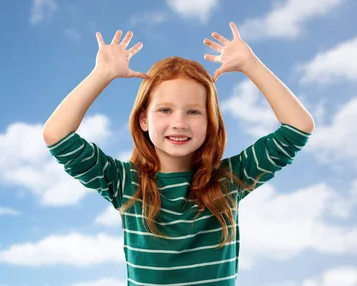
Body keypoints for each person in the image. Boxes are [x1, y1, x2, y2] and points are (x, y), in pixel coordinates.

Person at [42, 22, 315, 285]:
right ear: (143, 120)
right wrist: (101, 74)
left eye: (194, 111)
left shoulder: (230, 179)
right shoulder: (125, 183)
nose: (179, 122)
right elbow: (57, 135)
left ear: (211, 122)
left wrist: (251, 65)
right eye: (165, 110)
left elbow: (298, 128)